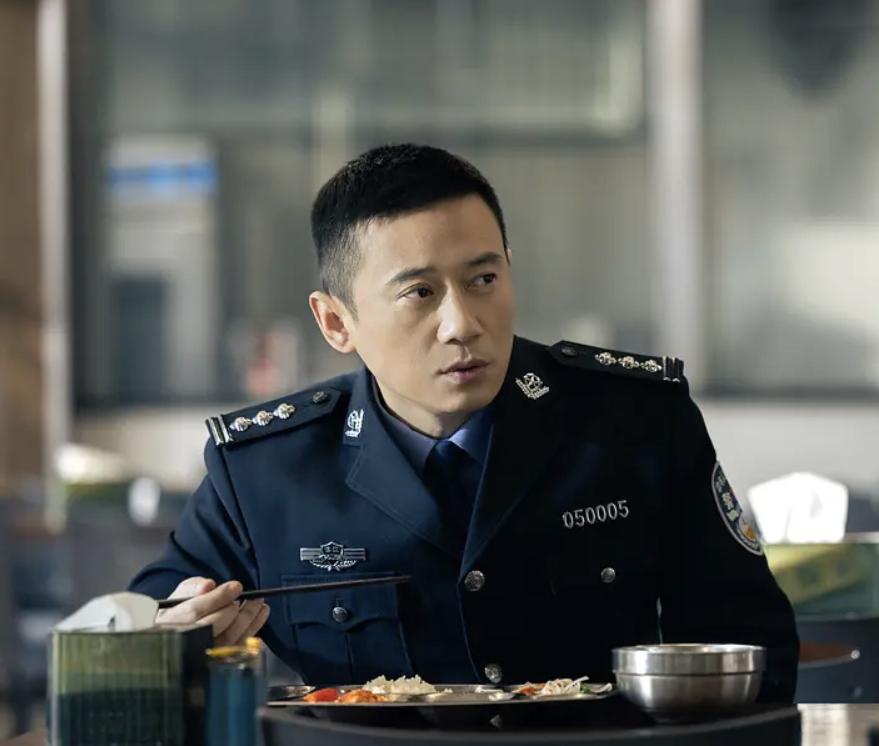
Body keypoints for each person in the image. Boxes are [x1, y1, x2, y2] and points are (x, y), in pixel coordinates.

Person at [129, 143, 799, 699]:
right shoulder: (266, 472)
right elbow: (146, 631)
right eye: (419, 293)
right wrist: (176, 634)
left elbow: (753, 647)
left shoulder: (634, 423)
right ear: (336, 322)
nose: (462, 324)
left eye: (483, 280)